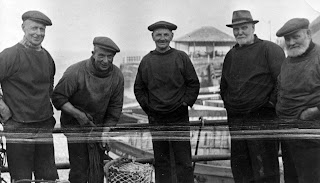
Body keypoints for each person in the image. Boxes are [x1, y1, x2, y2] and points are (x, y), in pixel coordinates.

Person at [220, 10, 285, 183]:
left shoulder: (270, 49)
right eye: (236, 29)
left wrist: (269, 105)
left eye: (244, 27)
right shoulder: (231, 55)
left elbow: (282, 82)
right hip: (237, 122)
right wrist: (231, 107)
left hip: (262, 120)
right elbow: (224, 86)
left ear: (253, 27)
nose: (240, 32)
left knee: (265, 169)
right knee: (241, 169)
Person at [134, 21, 200, 183]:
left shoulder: (181, 57)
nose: (162, 38)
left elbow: (193, 83)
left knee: (184, 161)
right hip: (157, 119)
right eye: (158, 35)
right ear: (153, 37)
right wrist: (149, 108)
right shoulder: (147, 61)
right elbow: (139, 89)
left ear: (171, 36)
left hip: (179, 117)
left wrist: (185, 103)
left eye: (165, 35)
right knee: (162, 161)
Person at [52, 36, 124, 183]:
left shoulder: (117, 76)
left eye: (109, 57)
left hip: (98, 128)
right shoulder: (75, 71)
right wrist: (78, 115)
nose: (105, 60)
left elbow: (115, 108)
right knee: (79, 170)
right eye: (101, 56)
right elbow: (58, 97)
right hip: (75, 128)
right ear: (93, 53)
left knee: (97, 172)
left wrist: (106, 131)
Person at [0, 10, 59, 182]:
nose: (38, 33)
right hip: (18, 128)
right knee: (21, 179)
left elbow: (50, 87)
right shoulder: (9, 55)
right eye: (34, 28)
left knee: (48, 178)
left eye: (42, 29)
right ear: (23, 28)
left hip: (44, 126)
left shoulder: (47, 57)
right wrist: (3, 109)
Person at [276, 18, 320, 183]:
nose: (291, 42)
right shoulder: (287, 61)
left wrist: (313, 112)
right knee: (292, 179)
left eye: (296, 37)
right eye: (287, 39)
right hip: (289, 135)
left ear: (308, 34)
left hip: (312, 137)